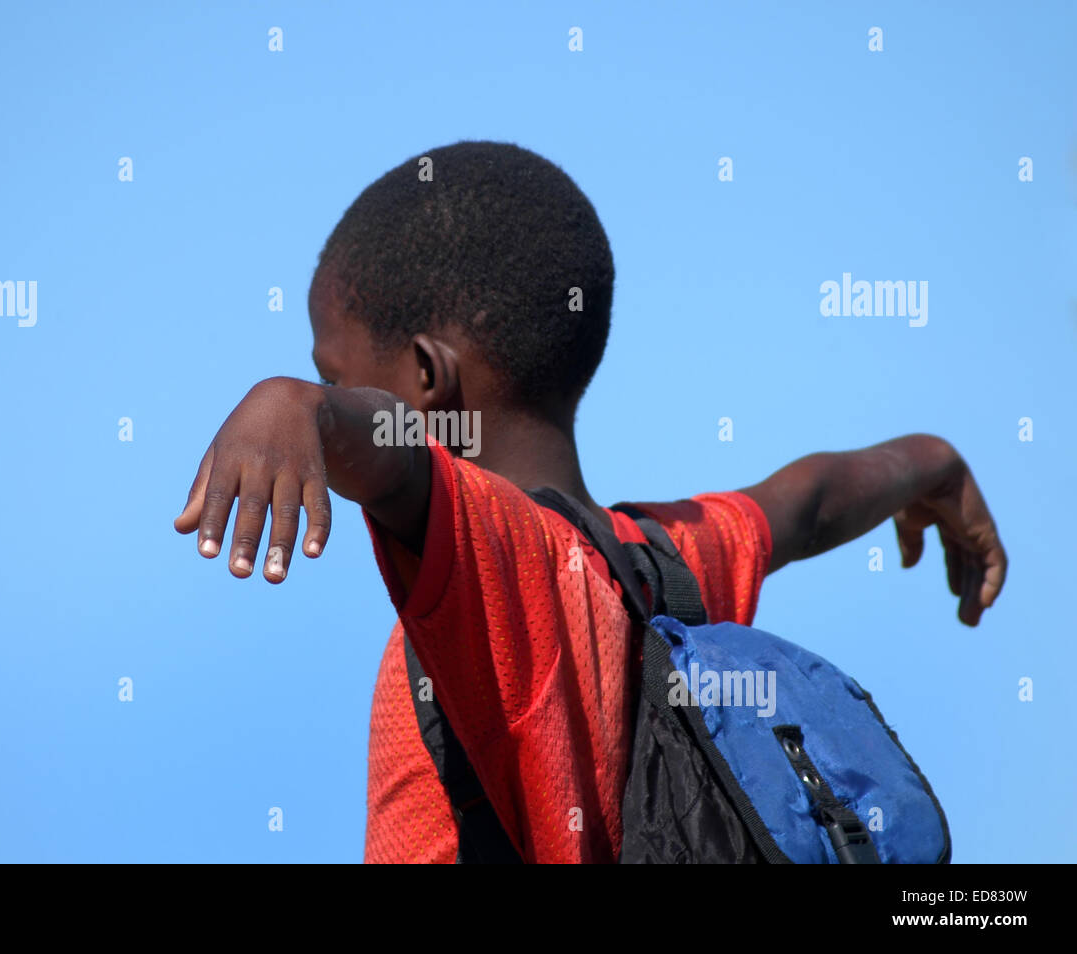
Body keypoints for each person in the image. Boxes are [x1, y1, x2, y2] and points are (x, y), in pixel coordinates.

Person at [173, 141, 1007, 863]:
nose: (331, 387)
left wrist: (298, 408)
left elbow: (400, 469)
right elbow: (806, 503)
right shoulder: (671, 565)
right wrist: (930, 463)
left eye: (336, 369)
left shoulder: (500, 567)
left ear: (427, 380)